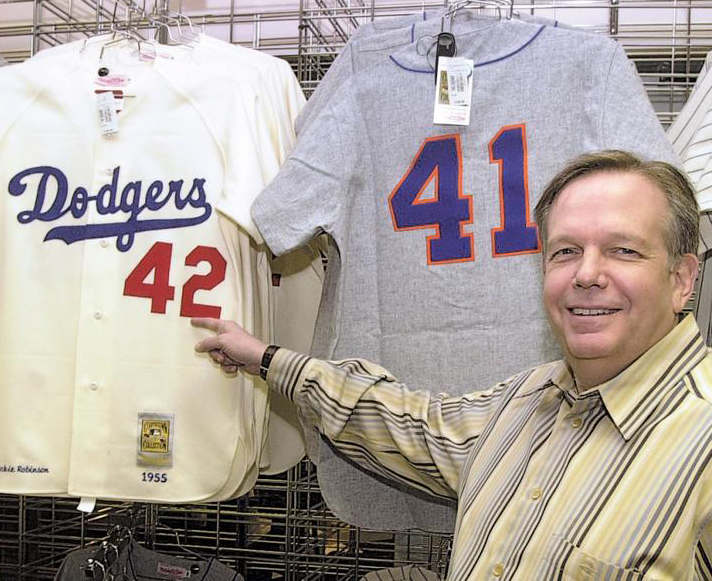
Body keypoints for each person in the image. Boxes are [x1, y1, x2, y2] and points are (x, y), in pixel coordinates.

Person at [192, 150, 712, 580]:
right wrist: (266, 359)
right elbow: (404, 423)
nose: (587, 274)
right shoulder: (526, 402)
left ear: (682, 279)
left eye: (623, 250)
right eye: (565, 251)